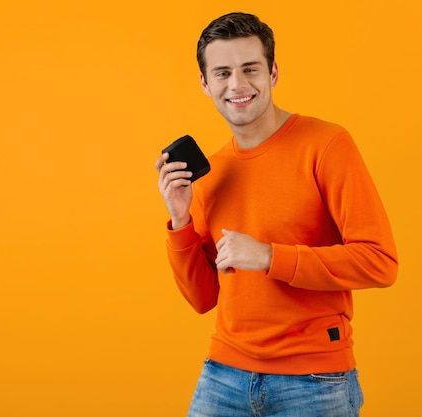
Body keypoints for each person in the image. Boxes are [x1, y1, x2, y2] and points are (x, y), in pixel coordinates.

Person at [154, 11, 398, 417]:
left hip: (315, 382)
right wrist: (180, 222)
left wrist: (270, 256)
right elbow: (202, 299)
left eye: (250, 69)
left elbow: (380, 262)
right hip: (223, 376)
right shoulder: (210, 174)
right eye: (222, 73)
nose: (237, 84)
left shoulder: (326, 144)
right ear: (205, 83)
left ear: (273, 73)